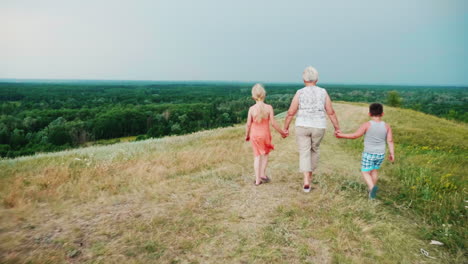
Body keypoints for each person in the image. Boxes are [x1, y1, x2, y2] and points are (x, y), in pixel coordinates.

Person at [283, 66, 341, 192]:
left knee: (304, 152)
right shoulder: (323, 92)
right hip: (318, 126)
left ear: (304, 79)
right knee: (314, 150)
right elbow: (330, 112)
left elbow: (291, 112)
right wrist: (337, 128)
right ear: (317, 79)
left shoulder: (300, 92)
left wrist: (285, 128)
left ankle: (305, 181)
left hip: (302, 125)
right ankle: (310, 177)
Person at [336, 103, 395, 199]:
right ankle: (371, 193)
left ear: (369, 114)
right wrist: (392, 153)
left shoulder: (367, 125)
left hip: (369, 153)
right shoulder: (387, 126)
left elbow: (355, 135)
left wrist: (341, 135)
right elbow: (390, 140)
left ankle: (372, 188)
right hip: (380, 153)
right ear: (382, 114)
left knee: (365, 172)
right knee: (374, 170)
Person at [245, 84, 287, 186]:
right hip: (266, 135)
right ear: (264, 95)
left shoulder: (251, 109)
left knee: (257, 156)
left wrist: (247, 135)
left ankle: (257, 180)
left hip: (255, 135)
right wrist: (282, 132)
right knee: (265, 154)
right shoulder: (269, 108)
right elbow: (273, 123)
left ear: (253, 96)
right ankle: (263, 174)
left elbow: (248, 124)